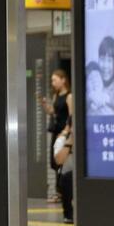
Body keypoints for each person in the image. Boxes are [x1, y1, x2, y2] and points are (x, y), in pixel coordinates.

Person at [39, 69, 72, 200]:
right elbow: (52, 111)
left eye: (54, 80)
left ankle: (62, 192)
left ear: (63, 80)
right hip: (56, 131)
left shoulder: (69, 96)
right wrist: (44, 104)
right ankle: (59, 191)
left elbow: (71, 116)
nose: (52, 83)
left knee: (62, 162)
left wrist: (66, 131)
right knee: (54, 162)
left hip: (64, 133)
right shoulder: (56, 95)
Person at [52, 121, 74, 224]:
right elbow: (59, 160)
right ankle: (69, 215)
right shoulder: (61, 140)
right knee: (68, 177)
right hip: (67, 177)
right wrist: (69, 143)